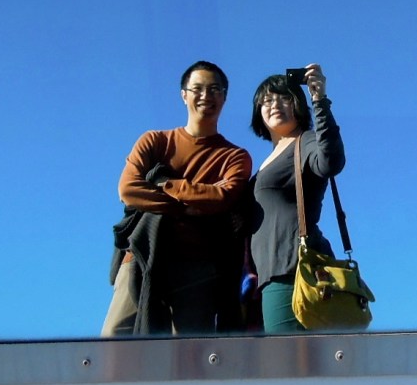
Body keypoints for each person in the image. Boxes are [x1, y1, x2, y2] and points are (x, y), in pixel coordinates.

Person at [102, 61, 252, 336]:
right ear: (184, 95)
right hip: (142, 256)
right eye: (198, 89)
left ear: (224, 97)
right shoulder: (155, 141)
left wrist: (164, 184)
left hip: (197, 265)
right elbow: (129, 190)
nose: (206, 96)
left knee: (186, 351)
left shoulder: (234, 156)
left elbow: (223, 198)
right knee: (116, 341)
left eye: (214, 89)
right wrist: (191, 205)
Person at [247, 63, 345, 333]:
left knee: (288, 355)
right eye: (267, 100)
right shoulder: (265, 161)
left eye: (284, 98)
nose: (275, 104)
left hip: (292, 270)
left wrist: (319, 100)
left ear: (298, 104)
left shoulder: (306, 141)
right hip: (268, 274)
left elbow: (330, 161)